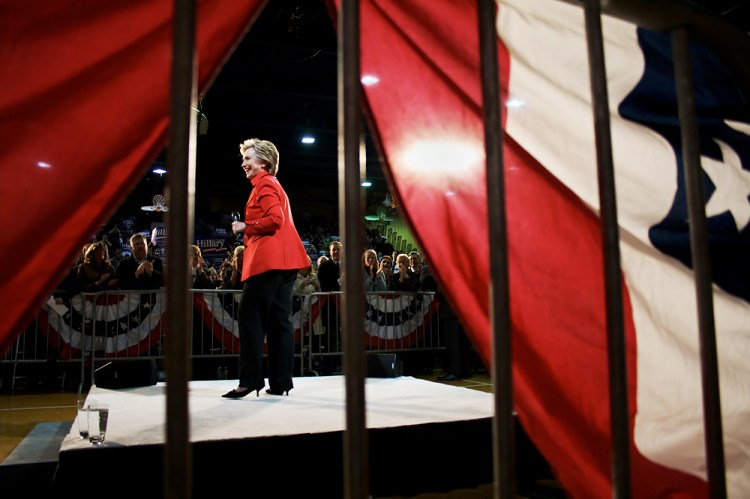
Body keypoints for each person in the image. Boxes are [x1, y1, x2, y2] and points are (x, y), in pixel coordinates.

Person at [223, 137, 309, 399]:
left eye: (248, 158)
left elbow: (275, 220)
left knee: (249, 317)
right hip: (286, 262)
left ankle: (249, 380)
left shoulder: (264, 184)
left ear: (264, 162)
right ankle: (281, 382)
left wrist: (245, 226)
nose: (243, 163)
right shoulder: (274, 184)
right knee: (279, 321)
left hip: (267, 262)